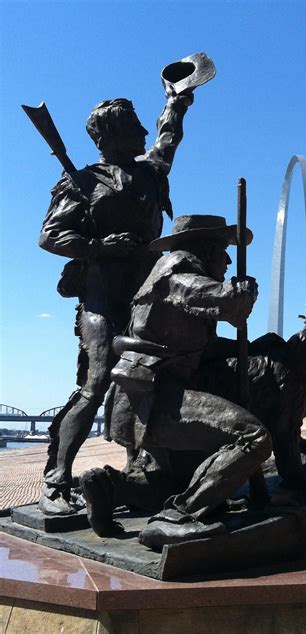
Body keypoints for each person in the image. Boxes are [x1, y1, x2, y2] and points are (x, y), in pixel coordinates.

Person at [38, 91, 194, 514]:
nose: (143, 132)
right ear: (109, 135)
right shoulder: (82, 182)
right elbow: (50, 235)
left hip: (146, 295)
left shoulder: (150, 171)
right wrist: (99, 246)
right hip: (102, 295)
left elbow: (168, 136)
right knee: (98, 379)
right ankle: (56, 479)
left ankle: (140, 467)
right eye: (132, 126)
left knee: (152, 374)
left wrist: (175, 102)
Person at [80, 214, 272, 546]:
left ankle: (109, 488)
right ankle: (177, 518)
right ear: (203, 248)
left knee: (169, 482)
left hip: (142, 394)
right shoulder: (178, 276)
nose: (228, 259)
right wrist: (242, 291)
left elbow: (199, 343)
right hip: (156, 397)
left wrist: (257, 349)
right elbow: (226, 303)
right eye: (222, 249)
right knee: (253, 438)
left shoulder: (165, 279)